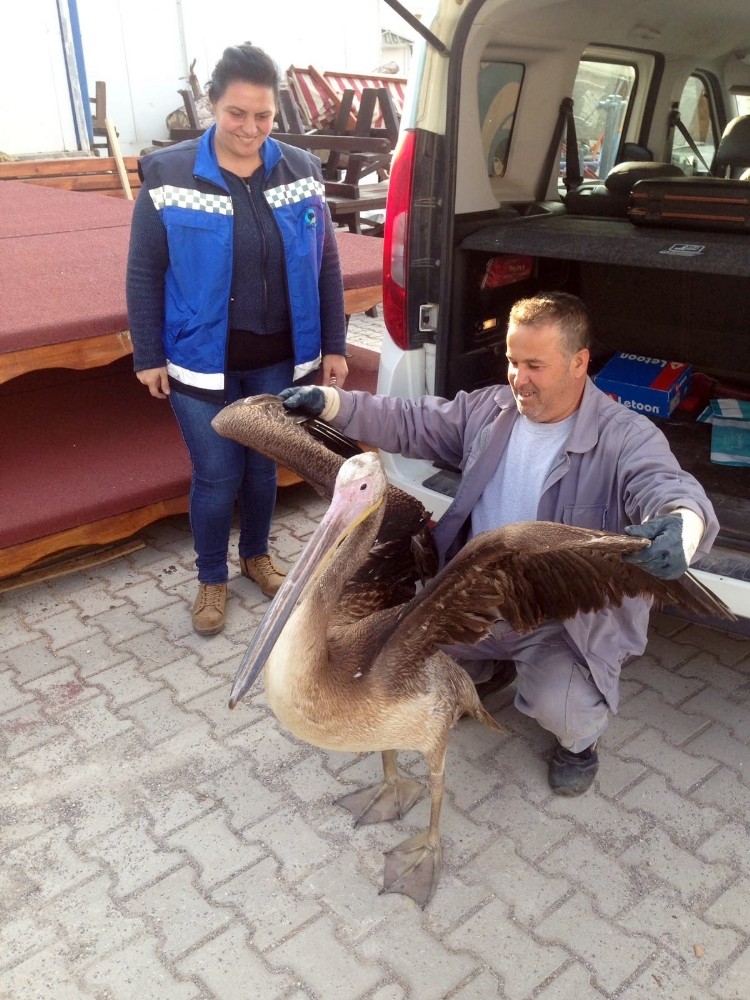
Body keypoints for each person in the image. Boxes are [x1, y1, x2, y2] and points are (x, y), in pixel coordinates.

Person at [277, 292, 719, 796]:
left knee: (564, 708)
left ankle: (579, 745)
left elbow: (666, 486)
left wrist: (681, 525)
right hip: (473, 598)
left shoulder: (626, 437)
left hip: (561, 620)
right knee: (403, 668)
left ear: (578, 363)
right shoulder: (491, 409)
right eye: (512, 361)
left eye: (535, 365)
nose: (518, 378)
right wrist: (333, 404)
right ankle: (486, 667)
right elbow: (409, 420)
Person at [126, 42, 348, 636]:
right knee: (217, 474)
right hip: (200, 364)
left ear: (276, 113)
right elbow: (145, 270)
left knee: (263, 469)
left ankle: (255, 557)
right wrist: (148, 351)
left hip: (278, 360)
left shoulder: (301, 171)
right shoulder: (169, 174)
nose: (249, 128)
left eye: (263, 115)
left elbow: (326, 264)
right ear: (211, 106)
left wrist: (335, 344)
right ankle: (210, 580)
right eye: (235, 113)